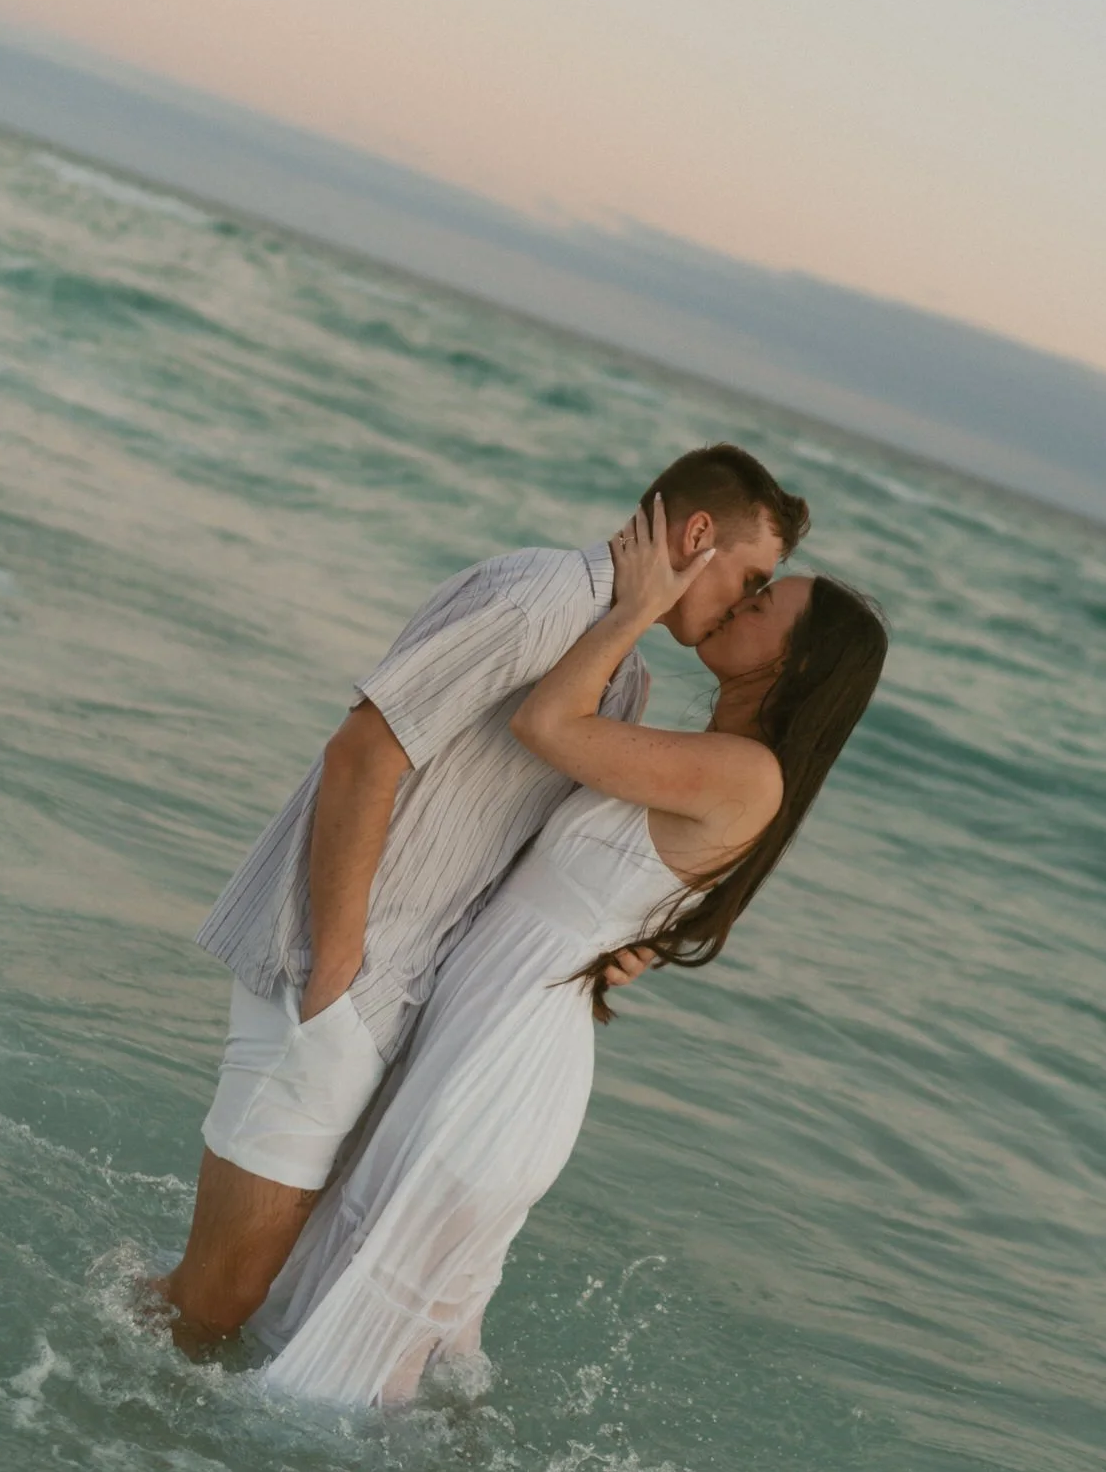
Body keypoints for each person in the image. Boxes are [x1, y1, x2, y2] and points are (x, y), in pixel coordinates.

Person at [156, 445, 809, 1352]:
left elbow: (556, 857)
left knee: (246, 1299)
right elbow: (364, 753)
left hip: (400, 999)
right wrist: (335, 970)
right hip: (336, 976)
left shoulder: (619, 674)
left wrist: (632, 942)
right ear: (697, 534)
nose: (744, 602)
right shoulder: (540, 599)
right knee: (216, 1299)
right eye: (752, 577)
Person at [248, 495, 887, 1406]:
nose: (738, 603)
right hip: (482, 1031)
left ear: (795, 663)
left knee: (355, 1376)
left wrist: (631, 610)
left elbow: (545, 728)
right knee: (355, 1347)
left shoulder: (748, 775)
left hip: (504, 1065)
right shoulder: (703, 752)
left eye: (759, 606)